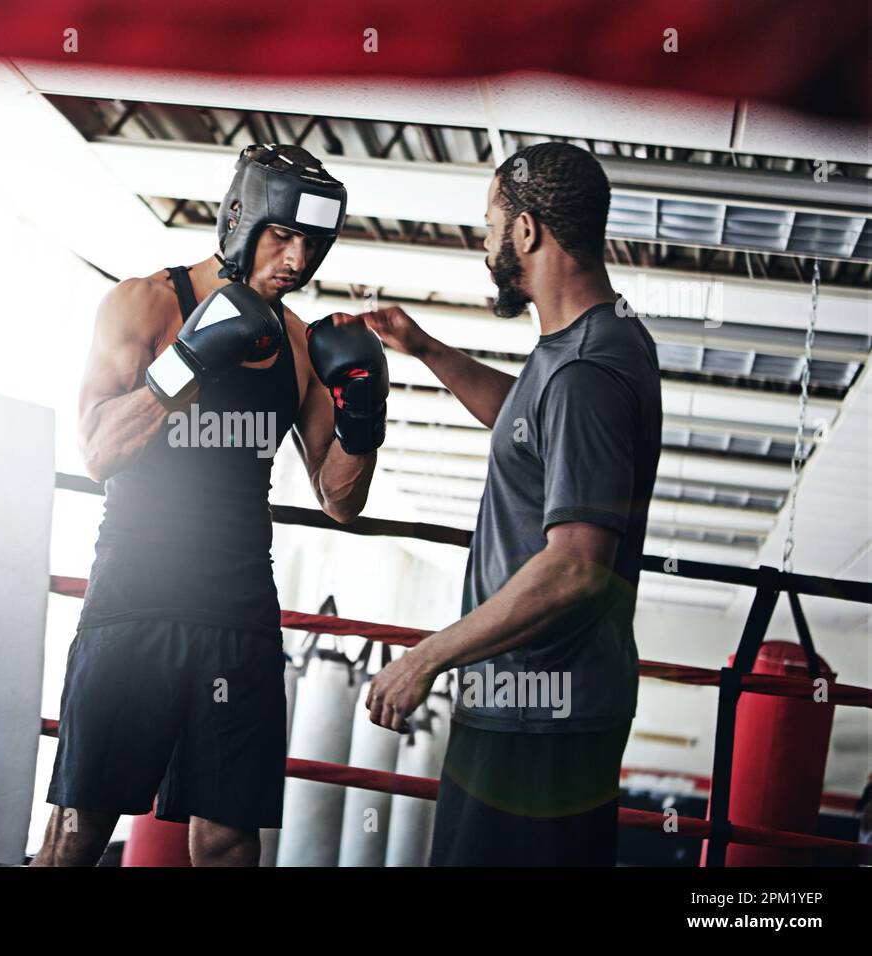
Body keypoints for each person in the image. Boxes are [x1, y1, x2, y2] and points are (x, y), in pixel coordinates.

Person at [32, 144, 386, 866]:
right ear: (239, 219)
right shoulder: (144, 303)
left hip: (237, 609)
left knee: (229, 835)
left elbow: (340, 500)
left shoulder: (298, 346)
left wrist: (364, 418)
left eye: (312, 243)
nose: (296, 258)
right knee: (79, 828)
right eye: (282, 234)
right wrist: (187, 360)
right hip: (135, 595)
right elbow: (97, 451)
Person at [362, 141, 663, 866]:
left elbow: (577, 568)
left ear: (527, 231)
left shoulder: (586, 371)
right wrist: (427, 349)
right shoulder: (584, 345)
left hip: (539, 719)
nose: (486, 241)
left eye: (492, 221)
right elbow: (527, 424)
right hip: (534, 707)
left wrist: (425, 659)